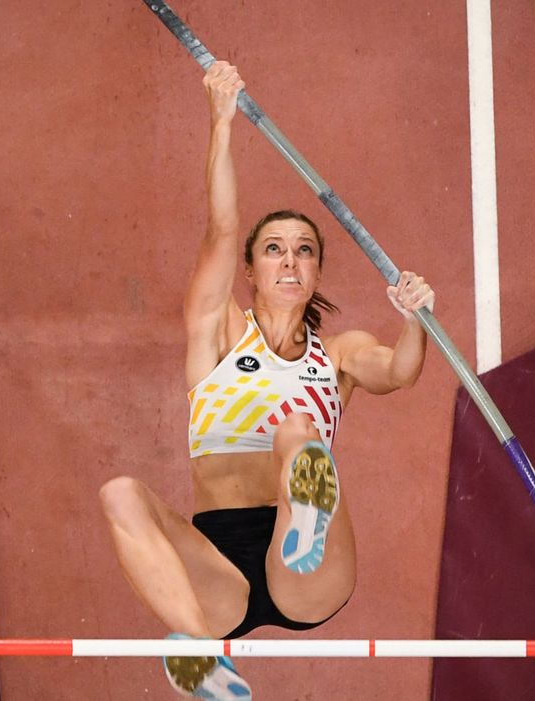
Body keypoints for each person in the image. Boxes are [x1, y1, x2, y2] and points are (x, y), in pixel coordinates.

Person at [99, 60, 436, 700]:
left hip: (306, 570)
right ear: (251, 271)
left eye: (305, 249)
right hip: (219, 564)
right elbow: (222, 229)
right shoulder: (219, 331)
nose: (290, 258)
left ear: (315, 274)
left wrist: (413, 320)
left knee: (298, 429)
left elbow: (397, 372)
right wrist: (221, 121)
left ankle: (306, 511)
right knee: (120, 493)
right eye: (274, 248)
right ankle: (201, 657)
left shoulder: (337, 354)